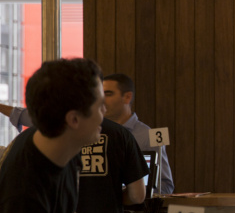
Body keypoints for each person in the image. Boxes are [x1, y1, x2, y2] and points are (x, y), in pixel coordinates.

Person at [0, 58, 129, 213]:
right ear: (74, 119)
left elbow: (59, 209)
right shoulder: (24, 191)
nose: (105, 110)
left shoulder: (63, 146)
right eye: (99, 105)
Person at [0, 72, 174, 194]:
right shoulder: (83, 128)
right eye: (100, 94)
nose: (103, 99)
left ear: (127, 97)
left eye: (108, 94)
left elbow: (164, 186)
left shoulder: (145, 136)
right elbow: (43, 119)